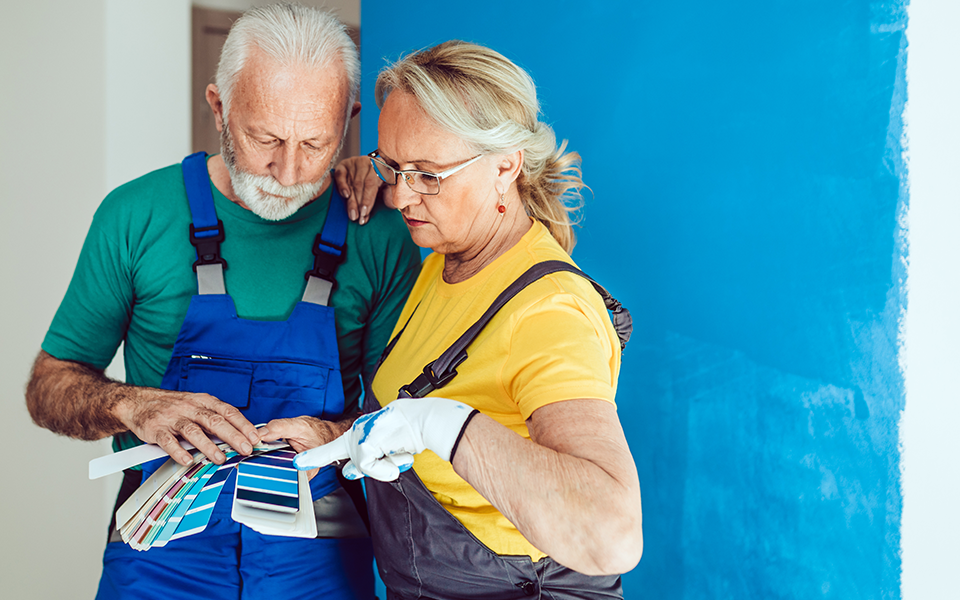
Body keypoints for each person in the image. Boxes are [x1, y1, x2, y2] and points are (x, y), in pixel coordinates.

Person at [24, 4, 420, 600]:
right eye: (264, 138)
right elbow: (48, 385)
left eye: (316, 143)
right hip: (157, 564)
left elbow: (410, 416)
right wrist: (133, 406)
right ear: (218, 107)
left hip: (320, 565)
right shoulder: (135, 216)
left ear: (350, 121)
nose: (288, 173)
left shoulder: (380, 231)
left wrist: (334, 433)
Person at [264, 41, 643, 599]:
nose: (401, 196)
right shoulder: (448, 258)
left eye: (428, 174)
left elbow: (610, 535)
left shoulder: (548, 311)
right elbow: (425, 428)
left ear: (505, 164)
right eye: (392, 167)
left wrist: (440, 424)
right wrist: (336, 436)